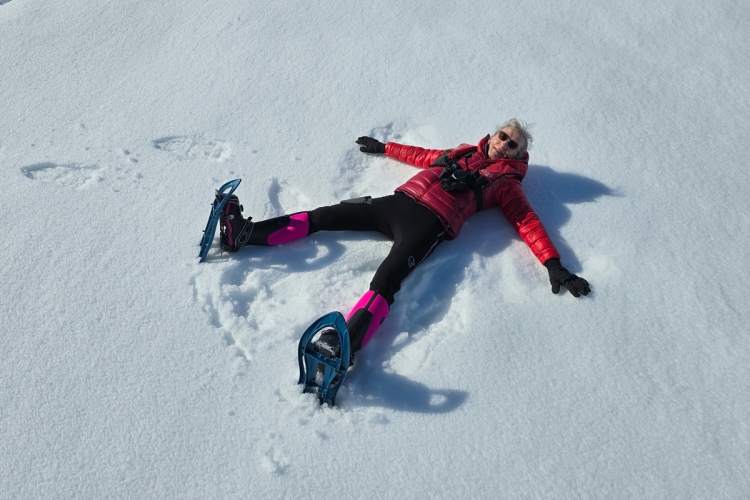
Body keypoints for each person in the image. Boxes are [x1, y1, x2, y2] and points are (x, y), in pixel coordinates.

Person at [218, 119, 590, 360]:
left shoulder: (505, 183)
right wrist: (385, 149)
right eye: (503, 136)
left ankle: (347, 342)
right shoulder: (460, 151)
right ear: (493, 134)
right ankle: (245, 234)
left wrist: (553, 263)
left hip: (429, 225)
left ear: (519, 155)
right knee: (325, 216)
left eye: (513, 145)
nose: (504, 145)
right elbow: (423, 155)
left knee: (388, 278)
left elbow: (526, 221)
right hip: (396, 204)